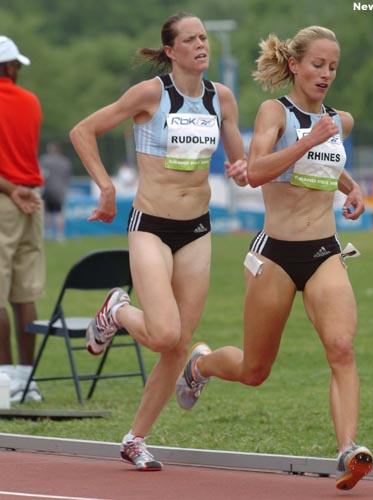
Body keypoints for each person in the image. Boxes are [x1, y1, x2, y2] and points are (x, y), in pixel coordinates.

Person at [176, 26, 373, 491]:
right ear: (295, 66)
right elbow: (255, 172)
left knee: (342, 349)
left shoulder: (338, 121)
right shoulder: (274, 112)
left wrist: (353, 187)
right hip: (276, 256)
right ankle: (200, 364)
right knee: (254, 371)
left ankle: (348, 449)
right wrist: (308, 139)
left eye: (332, 67)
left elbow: (332, 161)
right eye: (317, 65)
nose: (326, 74)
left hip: (325, 250)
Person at [69, 12, 247, 471]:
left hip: (197, 230)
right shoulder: (152, 94)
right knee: (164, 332)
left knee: (177, 342)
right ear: (170, 51)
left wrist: (249, 168)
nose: (201, 45)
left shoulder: (221, 98)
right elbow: (82, 131)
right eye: (190, 40)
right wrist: (106, 188)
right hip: (150, 224)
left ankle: (136, 438)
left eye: (204, 38)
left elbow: (240, 162)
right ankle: (118, 310)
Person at [0, 35, 44, 403]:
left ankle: (3, 377)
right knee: (25, 292)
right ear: (10, 67)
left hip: (4, 199)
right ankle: (27, 381)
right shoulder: (31, 101)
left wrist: (10, 189)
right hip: (33, 199)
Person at [39, 141, 72, 240]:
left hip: (48, 189)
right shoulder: (65, 161)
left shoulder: (45, 160)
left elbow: (41, 174)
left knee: (47, 212)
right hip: (60, 190)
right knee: (59, 212)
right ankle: (59, 235)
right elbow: (67, 177)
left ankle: (48, 232)